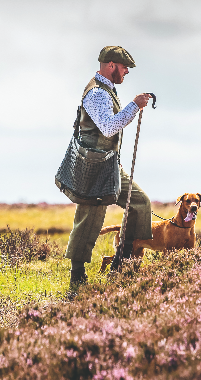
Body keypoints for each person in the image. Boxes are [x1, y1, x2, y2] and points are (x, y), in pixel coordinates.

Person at [65, 45, 153, 290]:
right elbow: (108, 127)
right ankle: (77, 277)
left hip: (110, 164)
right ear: (111, 65)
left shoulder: (107, 90)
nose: (126, 72)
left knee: (140, 202)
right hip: (93, 167)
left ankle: (122, 264)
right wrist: (134, 105)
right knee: (90, 217)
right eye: (124, 67)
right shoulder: (96, 94)